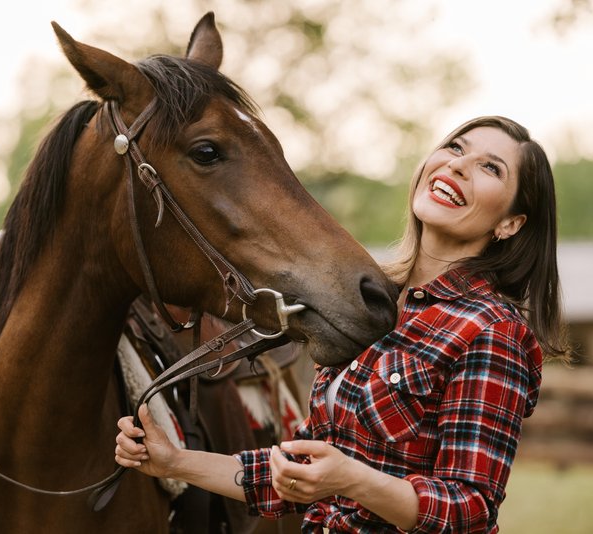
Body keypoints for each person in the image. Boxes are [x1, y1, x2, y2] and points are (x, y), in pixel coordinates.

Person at [115, 115, 570, 532]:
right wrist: (173, 462)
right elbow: (291, 473)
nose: (460, 165)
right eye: (455, 148)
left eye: (490, 168)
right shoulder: (370, 305)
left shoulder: (490, 330)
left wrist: (351, 479)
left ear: (511, 223)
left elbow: (469, 508)